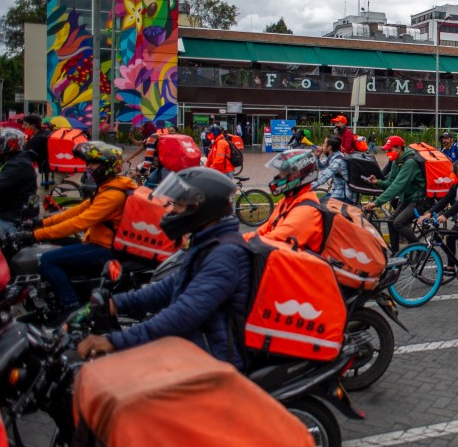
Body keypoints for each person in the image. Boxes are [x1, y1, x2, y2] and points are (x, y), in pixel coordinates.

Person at [77, 167, 252, 369]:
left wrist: (115, 341)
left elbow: (184, 314)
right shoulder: (207, 243)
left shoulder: (225, 254)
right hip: (193, 347)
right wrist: (114, 303)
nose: (170, 210)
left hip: (213, 360)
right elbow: (168, 288)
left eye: (177, 204)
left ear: (199, 207)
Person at [19, 142, 137, 315]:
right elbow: (77, 210)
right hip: (98, 242)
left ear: (107, 166)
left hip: (105, 249)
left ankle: (71, 308)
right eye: (88, 163)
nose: (88, 167)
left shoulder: (113, 195)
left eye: (93, 163)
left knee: (47, 260)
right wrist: (41, 223)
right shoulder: (108, 187)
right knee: (57, 244)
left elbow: (79, 222)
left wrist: (36, 235)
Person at [245, 149, 326, 253]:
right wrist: (238, 241)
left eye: (283, 173)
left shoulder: (306, 211)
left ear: (296, 175)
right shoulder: (287, 201)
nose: (278, 177)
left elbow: (274, 240)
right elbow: (266, 229)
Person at [363, 135, 427, 253]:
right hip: (407, 199)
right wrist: (378, 182)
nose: (387, 153)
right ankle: (396, 255)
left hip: (419, 199)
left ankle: (421, 250)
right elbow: (390, 181)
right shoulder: (396, 161)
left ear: (398, 149)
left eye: (389, 150)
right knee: (390, 222)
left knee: (398, 223)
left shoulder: (410, 163)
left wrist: (377, 202)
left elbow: (397, 186)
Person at [0, 128, 38, 228]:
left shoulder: (18, 164)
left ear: (10, 144)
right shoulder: (11, 159)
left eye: (0, 142)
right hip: (6, 210)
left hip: (13, 217)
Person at [316, 135, 355, 203]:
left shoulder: (337, 161)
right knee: (317, 203)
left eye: (324, 143)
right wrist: (317, 157)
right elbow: (321, 166)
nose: (322, 145)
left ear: (329, 147)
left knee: (318, 207)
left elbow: (323, 177)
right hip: (336, 191)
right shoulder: (333, 157)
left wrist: (305, 188)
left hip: (344, 195)